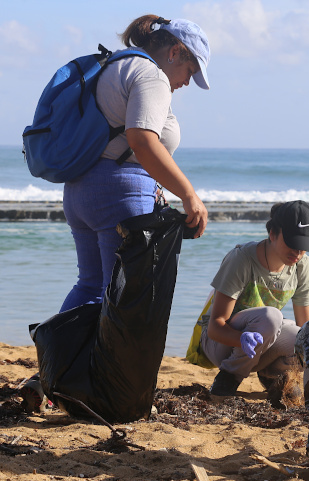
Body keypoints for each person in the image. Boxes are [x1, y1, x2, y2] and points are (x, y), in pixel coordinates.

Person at [59, 15, 210, 312]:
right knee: (123, 297)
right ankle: (102, 361)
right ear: (175, 51)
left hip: (80, 189)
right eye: (190, 70)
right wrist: (189, 195)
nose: (187, 81)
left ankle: (58, 358)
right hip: (119, 194)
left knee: (90, 287)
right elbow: (142, 141)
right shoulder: (151, 76)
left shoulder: (115, 64)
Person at [199, 201, 309, 400]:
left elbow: (305, 326)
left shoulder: (301, 265)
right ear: (272, 233)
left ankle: (273, 375)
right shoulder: (242, 259)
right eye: (292, 243)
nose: (297, 253)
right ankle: (228, 379)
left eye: (303, 247)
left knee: (307, 339)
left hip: (262, 342)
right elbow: (215, 327)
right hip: (220, 344)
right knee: (272, 316)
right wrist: (241, 339)